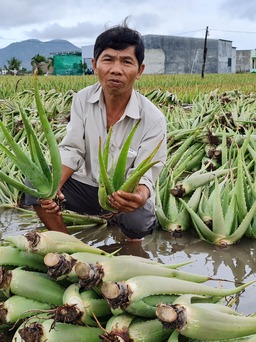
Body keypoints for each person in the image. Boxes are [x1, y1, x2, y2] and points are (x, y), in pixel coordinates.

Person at [25, 21, 167, 241]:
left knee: (137, 218)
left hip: (122, 194)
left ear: (139, 71)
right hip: (86, 188)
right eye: (108, 60)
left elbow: (148, 169)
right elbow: (72, 149)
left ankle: (131, 246)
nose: (116, 70)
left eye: (126, 62)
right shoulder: (82, 99)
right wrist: (55, 187)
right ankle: (68, 246)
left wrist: (139, 195)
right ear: (94, 64)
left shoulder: (153, 118)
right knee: (36, 184)